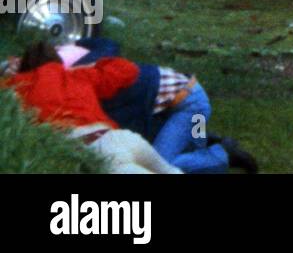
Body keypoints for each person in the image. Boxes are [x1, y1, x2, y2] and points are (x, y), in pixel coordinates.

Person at [75, 38, 257, 174]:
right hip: (193, 103)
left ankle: (224, 155)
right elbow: (108, 44)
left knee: (156, 165)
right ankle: (206, 141)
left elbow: (134, 129)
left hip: (192, 108)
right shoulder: (100, 64)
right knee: (195, 146)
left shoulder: (106, 93)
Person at [4, 42, 180, 174]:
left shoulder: (16, 86)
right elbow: (128, 70)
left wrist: (6, 68)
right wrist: (84, 67)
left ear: (24, 65)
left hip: (95, 150)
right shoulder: (78, 75)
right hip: (122, 138)